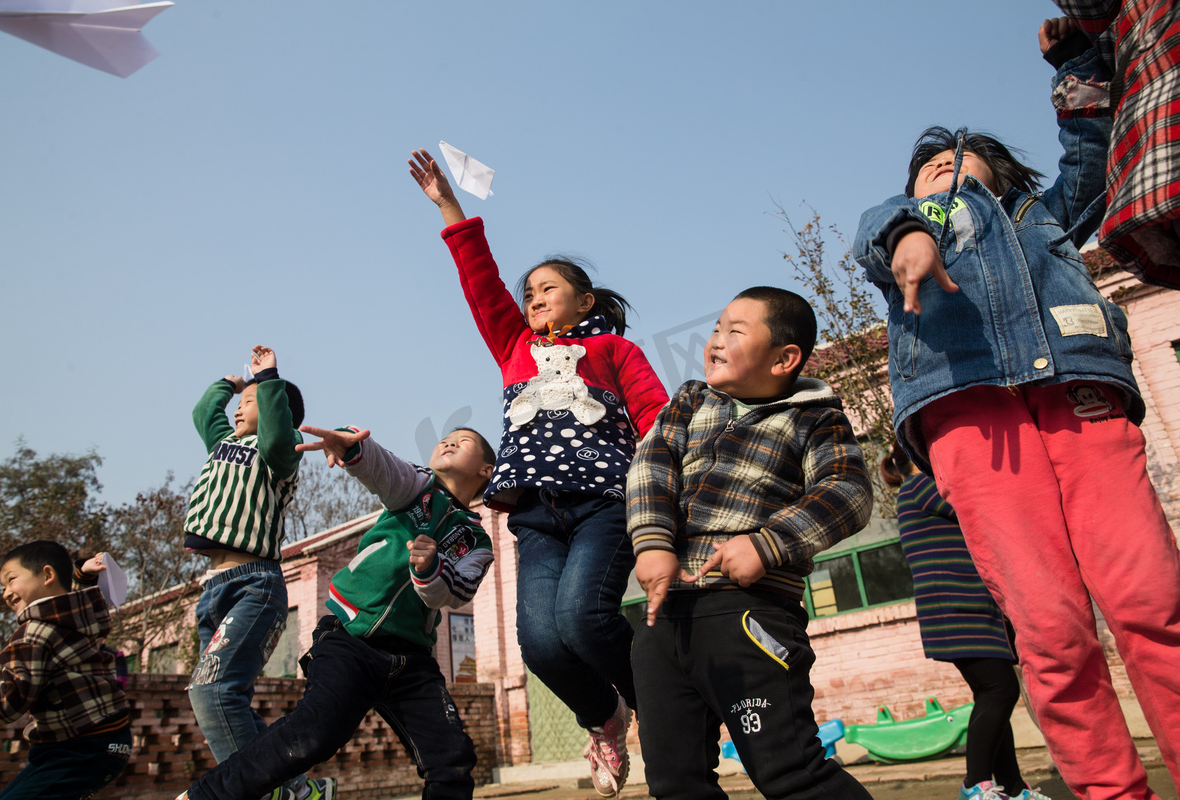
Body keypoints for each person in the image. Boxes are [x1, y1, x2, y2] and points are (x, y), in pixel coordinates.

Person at [853, 17, 1180, 800]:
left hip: (1081, 397)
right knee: (1051, 628)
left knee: (1151, 601)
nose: (943, 171)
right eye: (928, 166)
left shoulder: (1044, 220)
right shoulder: (903, 222)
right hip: (970, 419)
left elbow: (1092, 158)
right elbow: (879, 235)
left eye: (961, 162)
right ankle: (1111, 791)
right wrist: (912, 236)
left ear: (1003, 180)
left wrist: (1075, 61)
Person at [410, 149, 668, 797]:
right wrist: (448, 204)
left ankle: (664, 706)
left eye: (548, 288)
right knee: (542, 643)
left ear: (582, 301)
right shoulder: (514, 347)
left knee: (584, 619)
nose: (533, 297)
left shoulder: (613, 350)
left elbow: (656, 417)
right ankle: (605, 719)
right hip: (534, 515)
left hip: (604, 506)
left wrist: (666, 491)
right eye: (529, 293)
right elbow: (481, 280)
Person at [626, 287, 874, 800]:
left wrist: (768, 544)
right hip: (663, 620)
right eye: (716, 328)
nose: (716, 341)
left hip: (749, 615)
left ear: (785, 359)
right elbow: (652, 464)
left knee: (789, 772)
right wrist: (652, 542)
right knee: (674, 782)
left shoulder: (817, 417)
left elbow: (848, 492)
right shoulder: (692, 401)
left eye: (735, 332)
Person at [177, 424, 496, 800]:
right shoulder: (417, 488)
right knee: (313, 735)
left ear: (486, 470)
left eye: (465, 442)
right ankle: (205, 796)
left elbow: (456, 593)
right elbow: (384, 470)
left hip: (412, 659)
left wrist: (428, 571)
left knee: (453, 760)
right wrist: (351, 448)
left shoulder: (478, 542)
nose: (449, 441)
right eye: (446, 438)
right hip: (349, 638)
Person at [183, 345, 330, 800]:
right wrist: (227, 386)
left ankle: (261, 791)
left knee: (212, 693)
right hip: (214, 589)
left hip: (255, 584)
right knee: (225, 699)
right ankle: (296, 789)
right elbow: (204, 415)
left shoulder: (279, 456)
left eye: (252, 403)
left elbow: (273, 436)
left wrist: (268, 380)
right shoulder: (224, 447)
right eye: (241, 403)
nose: (242, 408)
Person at [882, 445, 1049, 800]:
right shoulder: (922, 486)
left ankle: (1013, 788)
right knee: (999, 691)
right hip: (957, 606)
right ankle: (975, 784)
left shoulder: (917, 489)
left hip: (968, 606)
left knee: (993, 694)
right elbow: (976, 508)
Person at [0, 541, 131, 800]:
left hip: (79, 748)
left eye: (11, 580)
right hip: (103, 740)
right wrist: (82, 577)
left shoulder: (33, 634)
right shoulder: (78, 621)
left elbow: (11, 699)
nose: (5, 593)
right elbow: (83, 603)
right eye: (2, 587)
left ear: (48, 575)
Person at [1050, 1, 1180, 290]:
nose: (945, 164)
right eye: (928, 164)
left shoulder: (1024, 223)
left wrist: (1074, 60)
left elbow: (1087, 173)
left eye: (963, 156)